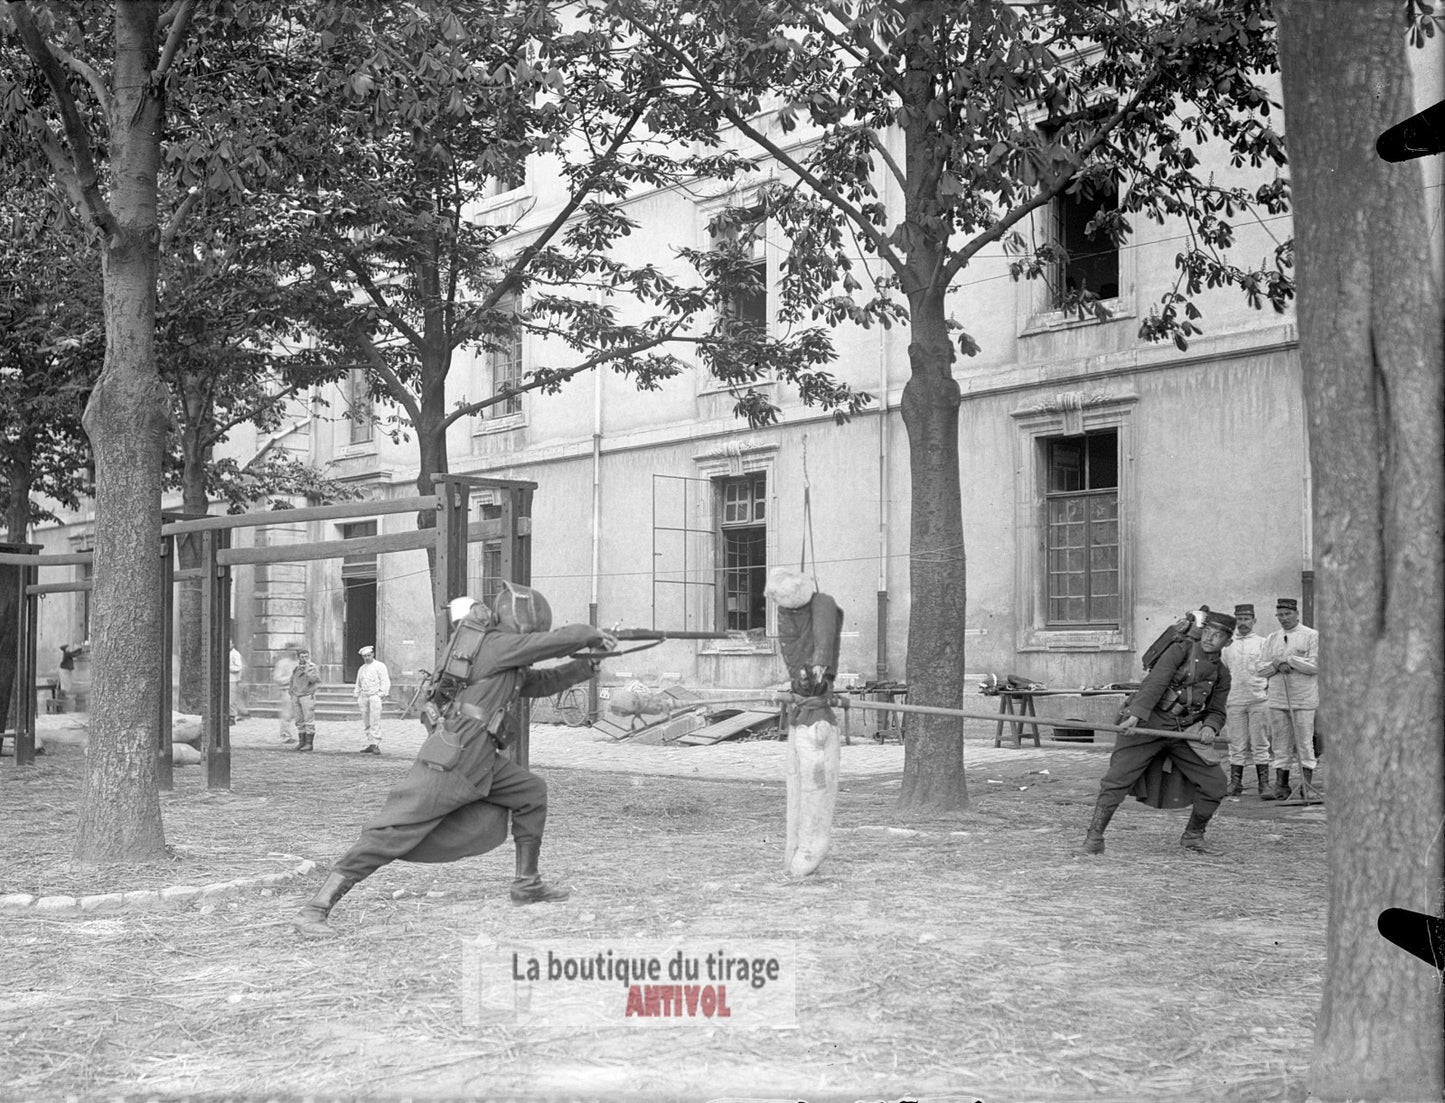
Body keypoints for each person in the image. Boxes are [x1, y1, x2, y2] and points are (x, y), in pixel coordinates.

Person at [292, 584, 616, 938]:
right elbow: (550, 643)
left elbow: (542, 682)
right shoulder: (497, 645)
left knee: (530, 792)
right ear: (525, 620)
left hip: (478, 755)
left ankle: (527, 883)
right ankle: (316, 908)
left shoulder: (507, 658)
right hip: (455, 756)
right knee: (390, 832)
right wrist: (591, 633)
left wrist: (590, 663)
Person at [1079, 609, 1236, 855]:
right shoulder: (1180, 650)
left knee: (1215, 783)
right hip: (1147, 722)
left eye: (1217, 636)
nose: (1209, 639)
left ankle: (1193, 836)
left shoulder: (1222, 673)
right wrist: (1135, 715)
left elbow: (1217, 710)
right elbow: (1156, 683)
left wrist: (1210, 726)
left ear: (1228, 642)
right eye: (1207, 632)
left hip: (1183, 731)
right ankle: (1094, 839)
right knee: (1117, 780)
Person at [1257, 597, 1319, 801]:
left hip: (1303, 699)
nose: (1283, 619)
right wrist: (1275, 665)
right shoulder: (1272, 638)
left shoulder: (1311, 636)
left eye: (1287, 614)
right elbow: (1260, 669)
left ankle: (1306, 785)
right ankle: (1281, 786)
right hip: (1277, 699)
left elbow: (1315, 665)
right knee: (1280, 743)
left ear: (1296, 614)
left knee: (1304, 742)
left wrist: (1290, 660)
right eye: (1280, 615)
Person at [1220, 603, 1270, 798]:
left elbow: (1269, 668)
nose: (1242, 623)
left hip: (1258, 699)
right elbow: (1222, 673)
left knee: (1260, 743)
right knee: (1236, 743)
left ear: (1254, 621)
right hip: (1234, 700)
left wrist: (1266, 688)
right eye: (1239, 619)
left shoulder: (1263, 643)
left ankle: (1264, 785)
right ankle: (1235, 783)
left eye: (1246, 619)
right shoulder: (1227, 646)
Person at [353, 645, 391, 755]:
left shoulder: (380, 666)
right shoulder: (362, 668)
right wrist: (357, 693)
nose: (367, 658)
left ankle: (376, 743)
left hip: (375, 696)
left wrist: (382, 693)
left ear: (373, 654)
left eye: (369, 655)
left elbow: (385, 680)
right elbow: (358, 682)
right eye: (364, 656)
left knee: (375, 719)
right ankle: (370, 742)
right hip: (364, 696)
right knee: (366, 720)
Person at [289, 645, 322, 752]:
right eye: (302, 657)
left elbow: (315, 680)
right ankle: (301, 742)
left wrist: (307, 671)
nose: (304, 659)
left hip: (307, 695)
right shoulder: (296, 667)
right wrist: (291, 692)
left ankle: (309, 743)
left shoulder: (312, 667)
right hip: (296, 695)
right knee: (299, 720)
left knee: (308, 719)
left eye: (306, 656)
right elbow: (292, 680)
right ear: (298, 657)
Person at [272, 643, 300, 744]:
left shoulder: (300, 663)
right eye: (292, 650)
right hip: (287, 691)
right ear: (287, 651)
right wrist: (291, 678)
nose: (294, 652)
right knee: (286, 714)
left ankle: (302, 735)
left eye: (296, 650)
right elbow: (277, 678)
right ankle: (286, 735)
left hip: (299, 692)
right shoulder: (282, 663)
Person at [228, 646, 249, 723]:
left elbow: (238, 667)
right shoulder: (227, 653)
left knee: (231, 699)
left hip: (232, 679)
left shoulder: (235, 654)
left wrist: (228, 667)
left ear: (232, 644)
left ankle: (232, 717)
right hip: (227, 679)